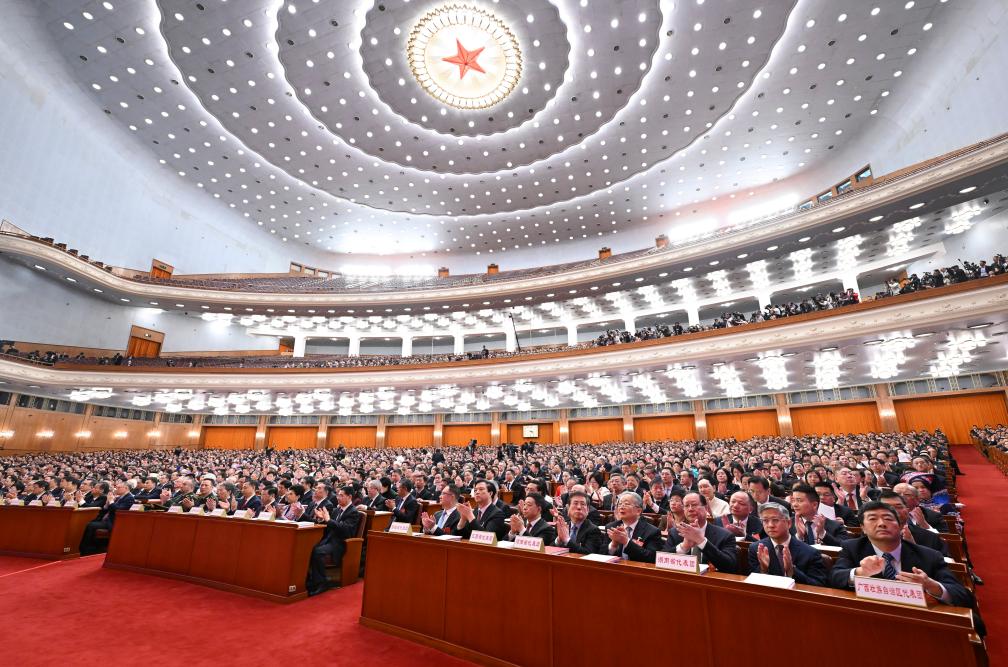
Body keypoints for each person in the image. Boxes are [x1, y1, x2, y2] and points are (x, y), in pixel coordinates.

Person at [828, 502, 972, 607]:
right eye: (872, 519)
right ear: (863, 528)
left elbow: (962, 595)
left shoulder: (929, 556)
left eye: (888, 519)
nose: (881, 524)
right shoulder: (852, 548)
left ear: (901, 526)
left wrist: (931, 586)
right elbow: (834, 578)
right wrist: (860, 572)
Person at [749, 502, 828, 585]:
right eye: (765, 520)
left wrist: (792, 570)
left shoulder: (810, 553)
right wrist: (763, 569)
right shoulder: (756, 549)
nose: (770, 525)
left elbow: (818, 585)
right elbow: (751, 584)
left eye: (775, 520)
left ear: (789, 523)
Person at [306, 486, 361, 596]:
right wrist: (322, 519)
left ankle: (322, 583)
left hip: (341, 543)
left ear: (349, 497)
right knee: (308, 547)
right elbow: (329, 526)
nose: (338, 498)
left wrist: (328, 520)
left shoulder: (354, 512)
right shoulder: (337, 510)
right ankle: (313, 579)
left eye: (341, 495)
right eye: (338, 495)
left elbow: (345, 530)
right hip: (329, 539)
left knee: (318, 552)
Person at [663, 492, 738, 573]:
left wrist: (702, 541)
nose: (690, 509)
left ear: (706, 508)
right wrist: (683, 547)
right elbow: (662, 562)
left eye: (694, 505)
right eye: (686, 506)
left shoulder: (725, 535)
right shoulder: (675, 532)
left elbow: (730, 566)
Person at [877, 490, 949, 557]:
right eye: (887, 507)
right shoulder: (871, 537)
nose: (894, 511)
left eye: (898, 507)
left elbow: (944, 562)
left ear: (907, 511)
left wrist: (914, 548)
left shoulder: (930, 537)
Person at [603, 491, 663, 562]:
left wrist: (626, 542)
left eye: (626, 504)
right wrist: (613, 545)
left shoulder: (652, 532)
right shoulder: (611, 527)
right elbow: (601, 554)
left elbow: (651, 558)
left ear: (638, 511)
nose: (621, 507)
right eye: (620, 504)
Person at [79, 480, 135, 555]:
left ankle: (87, 550)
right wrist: (107, 503)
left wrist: (111, 501)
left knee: (91, 525)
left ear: (126, 488)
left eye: (118, 487)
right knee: (90, 523)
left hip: (115, 521)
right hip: (107, 519)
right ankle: (86, 549)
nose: (116, 489)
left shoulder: (129, 498)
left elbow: (118, 510)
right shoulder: (119, 497)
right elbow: (106, 509)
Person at [553, 490, 604, 555]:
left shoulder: (593, 530)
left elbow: (588, 553)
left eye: (582, 504)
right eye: (575, 503)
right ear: (568, 508)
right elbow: (549, 549)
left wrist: (567, 540)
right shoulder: (562, 527)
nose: (579, 507)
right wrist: (558, 540)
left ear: (588, 510)